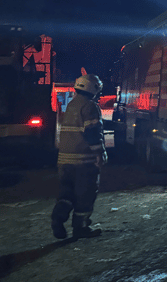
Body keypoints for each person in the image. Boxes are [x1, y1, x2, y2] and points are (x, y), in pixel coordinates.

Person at [51, 73, 107, 239]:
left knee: (66, 193)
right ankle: (80, 228)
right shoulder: (90, 106)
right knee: (85, 194)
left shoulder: (71, 105)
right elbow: (93, 132)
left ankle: (57, 218)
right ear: (94, 89)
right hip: (84, 162)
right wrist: (99, 152)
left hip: (64, 161)